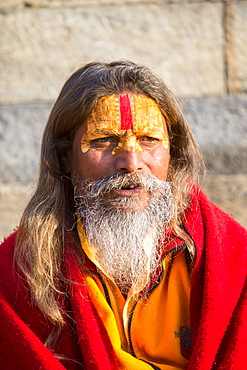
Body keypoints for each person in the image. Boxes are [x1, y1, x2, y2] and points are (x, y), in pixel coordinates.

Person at [0, 60, 246, 370]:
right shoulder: (16, 275)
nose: (131, 162)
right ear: (65, 158)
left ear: (172, 154)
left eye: (149, 140)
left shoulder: (232, 258)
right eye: (104, 140)